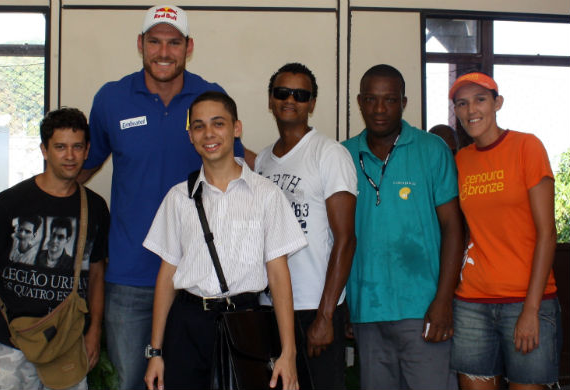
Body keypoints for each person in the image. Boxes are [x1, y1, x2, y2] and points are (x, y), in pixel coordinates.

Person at [77, 6, 252, 387]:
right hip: (130, 276)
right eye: (154, 41)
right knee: (132, 382)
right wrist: (34, 195)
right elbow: (83, 166)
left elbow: (237, 161)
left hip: (196, 280)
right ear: (140, 44)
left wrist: (285, 170)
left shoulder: (209, 96)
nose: (163, 51)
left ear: (189, 48)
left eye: (174, 42)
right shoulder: (111, 99)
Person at [142, 91, 306, 390]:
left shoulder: (267, 195)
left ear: (236, 128)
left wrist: (288, 353)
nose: (209, 134)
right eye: (199, 126)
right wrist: (155, 352)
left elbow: (279, 276)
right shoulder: (179, 198)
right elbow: (167, 275)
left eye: (218, 123)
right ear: (190, 135)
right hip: (187, 327)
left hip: (244, 325)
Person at [0, 107, 109, 390]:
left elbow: (97, 275)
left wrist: (94, 331)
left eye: (77, 147)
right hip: (8, 343)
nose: (69, 156)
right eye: (60, 147)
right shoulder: (10, 202)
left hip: (67, 343)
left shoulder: (95, 207)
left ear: (88, 150)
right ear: (44, 149)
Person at [341, 64, 464, 389]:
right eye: (371, 99)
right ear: (359, 101)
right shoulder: (343, 156)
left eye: (390, 100)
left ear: (403, 102)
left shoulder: (432, 150)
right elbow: (336, 237)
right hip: (367, 310)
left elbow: (454, 229)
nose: (379, 109)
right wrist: (346, 306)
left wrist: (443, 301)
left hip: (423, 310)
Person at [449, 72, 560, 389]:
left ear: (497, 103)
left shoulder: (527, 146)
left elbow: (547, 234)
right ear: (456, 111)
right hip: (471, 303)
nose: (472, 110)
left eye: (480, 100)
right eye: (462, 103)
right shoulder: (461, 161)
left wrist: (531, 309)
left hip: (525, 301)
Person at [255, 62, 357, 389]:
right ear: (270, 100)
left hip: (315, 307)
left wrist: (326, 316)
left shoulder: (330, 154)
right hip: (272, 306)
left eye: (300, 94)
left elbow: (345, 240)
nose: (290, 100)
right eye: (282, 92)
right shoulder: (263, 160)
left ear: (312, 104)